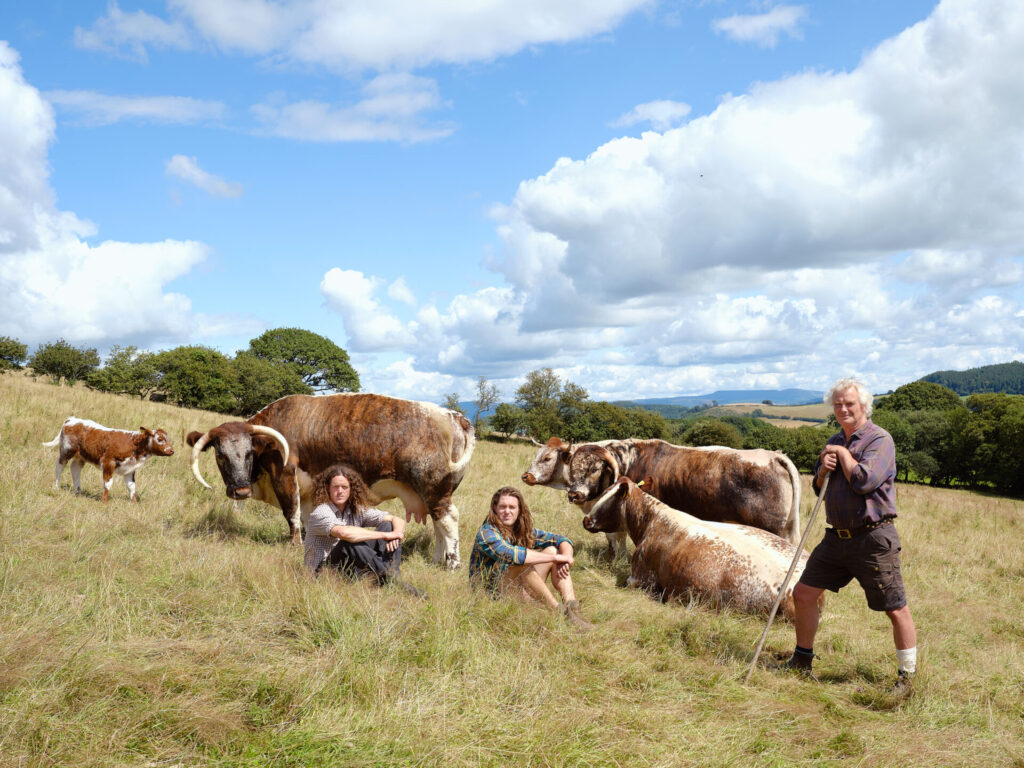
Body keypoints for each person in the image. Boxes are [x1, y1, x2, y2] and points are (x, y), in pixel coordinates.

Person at [786, 377, 917, 690]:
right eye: (838, 404)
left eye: (849, 404)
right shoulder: (835, 439)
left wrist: (842, 456)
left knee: (895, 607)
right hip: (836, 538)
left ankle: (907, 677)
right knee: (803, 594)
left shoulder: (880, 440)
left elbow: (865, 481)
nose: (843, 409)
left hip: (873, 537)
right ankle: (802, 660)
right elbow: (820, 489)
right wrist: (822, 468)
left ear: (864, 407)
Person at [469, 486, 593, 630]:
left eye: (512, 507)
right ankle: (560, 613)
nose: (507, 511)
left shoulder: (518, 529)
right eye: (502, 507)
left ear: (519, 510)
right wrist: (556, 558)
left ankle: (573, 608)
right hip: (491, 597)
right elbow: (512, 554)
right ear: (494, 508)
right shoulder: (487, 533)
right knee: (521, 563)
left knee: (552, 549)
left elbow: (559, 539)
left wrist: (566, 557)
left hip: (517, 591)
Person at [304, 463, 423, 597]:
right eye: (335, 487)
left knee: (388, 524)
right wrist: (385, 535)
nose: (340, 491)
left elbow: (397, 519)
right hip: (322, 574)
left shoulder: (355, 509)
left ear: (351, 489)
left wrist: (397, 534)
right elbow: (344, 533)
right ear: (327, 488)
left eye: (344, 487)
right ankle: (394, 582)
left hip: (348, 569)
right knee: (349, 542)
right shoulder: (321, 512)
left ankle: (392, 576)